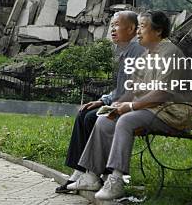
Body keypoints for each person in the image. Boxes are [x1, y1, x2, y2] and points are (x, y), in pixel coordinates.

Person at [67, 11, 192, 201]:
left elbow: (162, 94)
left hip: (170, 113)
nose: (139, 33)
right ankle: (92, 176)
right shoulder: (147, 55)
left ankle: (116, 181)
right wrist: (117, 104)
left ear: (158, 31)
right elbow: (133, 90)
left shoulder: (170, 53)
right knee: (104, 120)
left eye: (142, 27)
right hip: (149, 109)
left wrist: (130, 107)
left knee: (126, 120)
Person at [55, 11, 145, 194]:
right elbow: (120, 88)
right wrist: (102, 100)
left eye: (117, 25)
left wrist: (112, 104)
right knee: (84, 114)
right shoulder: (124, 51)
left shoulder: (137, 52)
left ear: (131, 29)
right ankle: (79, 172)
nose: (112, 29)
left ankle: (89, 173)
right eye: (111, 25)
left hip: (133, 106)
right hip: (122, 102)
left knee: (91, 118)